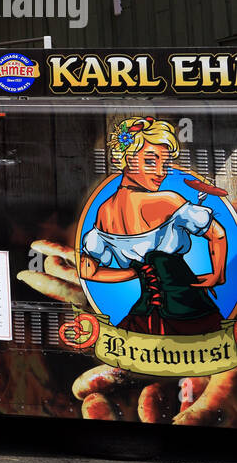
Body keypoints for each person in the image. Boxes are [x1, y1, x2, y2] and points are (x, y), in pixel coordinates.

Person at [79, 117, 227, 335]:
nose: (161, 172)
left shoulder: (104, 212)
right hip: (189, 312)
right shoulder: (167, 201)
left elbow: (87, 270)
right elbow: (219, 235)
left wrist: (134, 272)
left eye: (165, 164)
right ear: (128, 159)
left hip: (141, 317)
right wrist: (218, 276)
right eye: (150, 161)